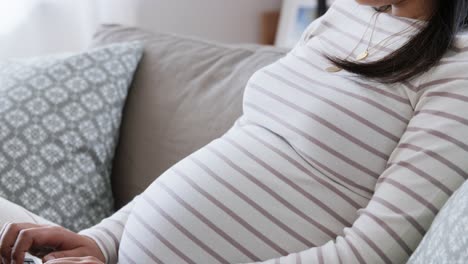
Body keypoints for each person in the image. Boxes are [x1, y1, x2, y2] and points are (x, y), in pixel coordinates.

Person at [2, 0, 468, 263]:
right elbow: (242, 143)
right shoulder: (343, 16)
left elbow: (373, 255)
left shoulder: (456, 73)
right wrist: (102, 241)